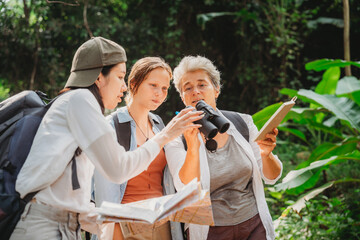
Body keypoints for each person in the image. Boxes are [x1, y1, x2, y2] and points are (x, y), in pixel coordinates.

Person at [10, 37, 203, 240]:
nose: (124, 86)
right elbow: (118, 170)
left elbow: (69, 187)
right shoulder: (80, 100)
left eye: (164, 88)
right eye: (120, 77)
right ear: (98, 76)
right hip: (43, 225)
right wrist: (166, 135)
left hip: (63, 225)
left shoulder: (78, 105)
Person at [165, 56, 283, 240]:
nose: (195, 91)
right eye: (187, 88)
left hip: (254, 225)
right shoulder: (175, 137)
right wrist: (194, 146)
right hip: (210, 231)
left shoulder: (243, 122)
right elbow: (185, 187)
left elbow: (272, 177)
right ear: (182, 97)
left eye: (202, 84)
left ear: (216, 89)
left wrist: (266, 155)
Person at [92, 57, 184, 240]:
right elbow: (104, 190)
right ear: (133, 84)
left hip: (162, 222)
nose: (159, 93)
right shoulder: (112, 126)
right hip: (125, 223)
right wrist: (111, 230)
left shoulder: (159, 125)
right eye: (153, 85)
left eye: (164, 88)